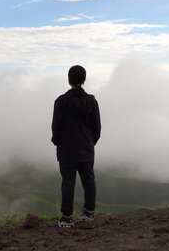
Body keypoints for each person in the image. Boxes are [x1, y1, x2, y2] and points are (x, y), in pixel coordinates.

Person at [51, 65, 101, 228]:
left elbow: (56, 127)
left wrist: (58, 142)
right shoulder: (92, 101)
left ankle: (66, 218)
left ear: (69, 79)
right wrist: (90, 142)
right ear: (84, 79)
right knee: (89, 180)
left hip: (67, 149)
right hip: (86, 147)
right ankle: (89, 213)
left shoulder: (61, 101)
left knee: (68, 182)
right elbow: (97, 128)